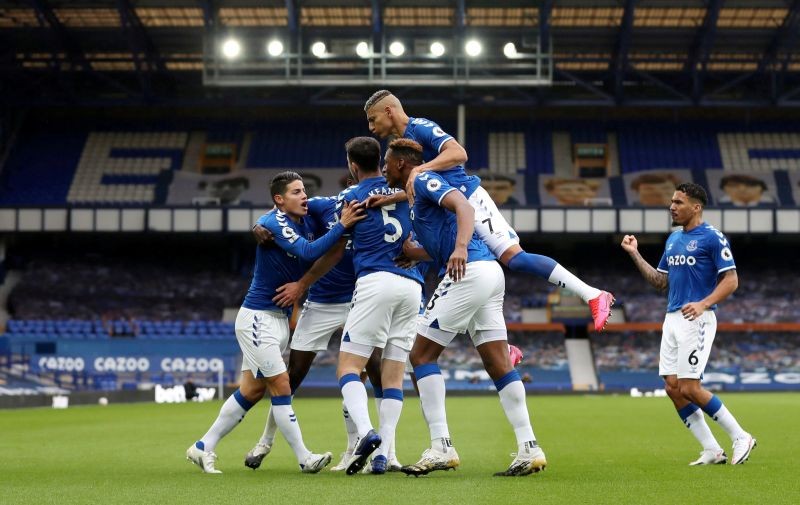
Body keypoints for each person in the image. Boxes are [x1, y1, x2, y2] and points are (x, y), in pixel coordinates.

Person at [364, 90, 614, 331]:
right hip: (452, 209)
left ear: (389, 111)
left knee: (514, 258)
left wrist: (421, 169)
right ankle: (503, 349)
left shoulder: (420, 127)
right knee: (466, 274)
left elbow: (458, 153)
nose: (371, 128)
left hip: (469, 201)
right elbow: (425, 185)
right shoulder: (403, 143)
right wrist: (392, 197)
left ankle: (592, 294)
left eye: (373, 119)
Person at [384, 138, 547, 477]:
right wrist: (413, 253)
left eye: (387, 162)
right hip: (487, 275)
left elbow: (465, 208)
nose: (384, 168)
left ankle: (441, 445)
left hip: (468, 271)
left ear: (401, 163)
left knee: (421, 356)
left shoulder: (422, 178)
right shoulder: (413, 197)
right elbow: (438, 245)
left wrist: (459, 249)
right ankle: (529, 447)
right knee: (499, 364)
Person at [185, 171, 365, 474]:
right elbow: (307, 251)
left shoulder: (305, 219)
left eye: (304, 190)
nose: (304, 195)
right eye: (296, 192)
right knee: (282, 386)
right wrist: (344, 225)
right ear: (279, 200)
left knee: (252, 391)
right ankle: (304, 458)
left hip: (277, 320)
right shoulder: (275, 222)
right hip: (258, 318)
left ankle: (202, 447)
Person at [620, 182, 756, 466]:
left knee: (690, 387)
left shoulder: (712, 238)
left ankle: (741, 436)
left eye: (679, 202)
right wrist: (635, 254)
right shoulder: (673, 240)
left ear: (696, 207)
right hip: (672, 317)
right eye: (672, 201)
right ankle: (711, 449)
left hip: (698, 318)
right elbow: (660, 281)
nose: (672, 206)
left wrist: (704, 303)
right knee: (672, 386)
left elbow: (731, 280)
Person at [332, 136, 424, 475]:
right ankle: (384, 453)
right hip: (411, 285)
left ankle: (366, 433)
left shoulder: (351, 197)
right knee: (393, 377)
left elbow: (329, 227)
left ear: (352, 165)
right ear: (380, 162)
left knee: (347, 367)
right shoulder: (409, 190)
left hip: (375, 281)